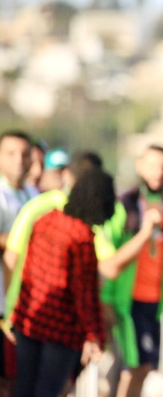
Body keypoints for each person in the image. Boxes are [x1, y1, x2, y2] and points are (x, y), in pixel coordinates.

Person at [12, 169, 114, 397]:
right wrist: (95, 334)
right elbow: (84, 293)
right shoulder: (82, 237)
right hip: (61, 330)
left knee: (23, 389)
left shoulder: (45, 221)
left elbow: (27, 271)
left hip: (29, 320)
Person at [101, 145, 163, 397]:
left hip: (155, 303)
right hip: (127, 303)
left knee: (144, 366)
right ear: (139, 166)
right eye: (152, 165)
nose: (158, 173)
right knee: (135, 365)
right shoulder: (124, 205)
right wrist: (106, 298)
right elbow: (109, 256)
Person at [0, 130, 36, 384]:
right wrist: (20, 241)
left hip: (29, 304)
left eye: (24, 154)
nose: (18, 160)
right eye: (10, 153)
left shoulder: (35, 194)